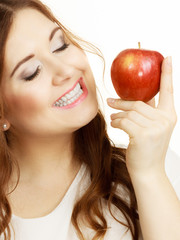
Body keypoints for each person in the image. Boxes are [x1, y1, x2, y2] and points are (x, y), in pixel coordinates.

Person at [0, 0, 180, 239]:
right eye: (32, 71)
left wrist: (149, 174)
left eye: (60, 45)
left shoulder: (156, 170)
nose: (66, 70)